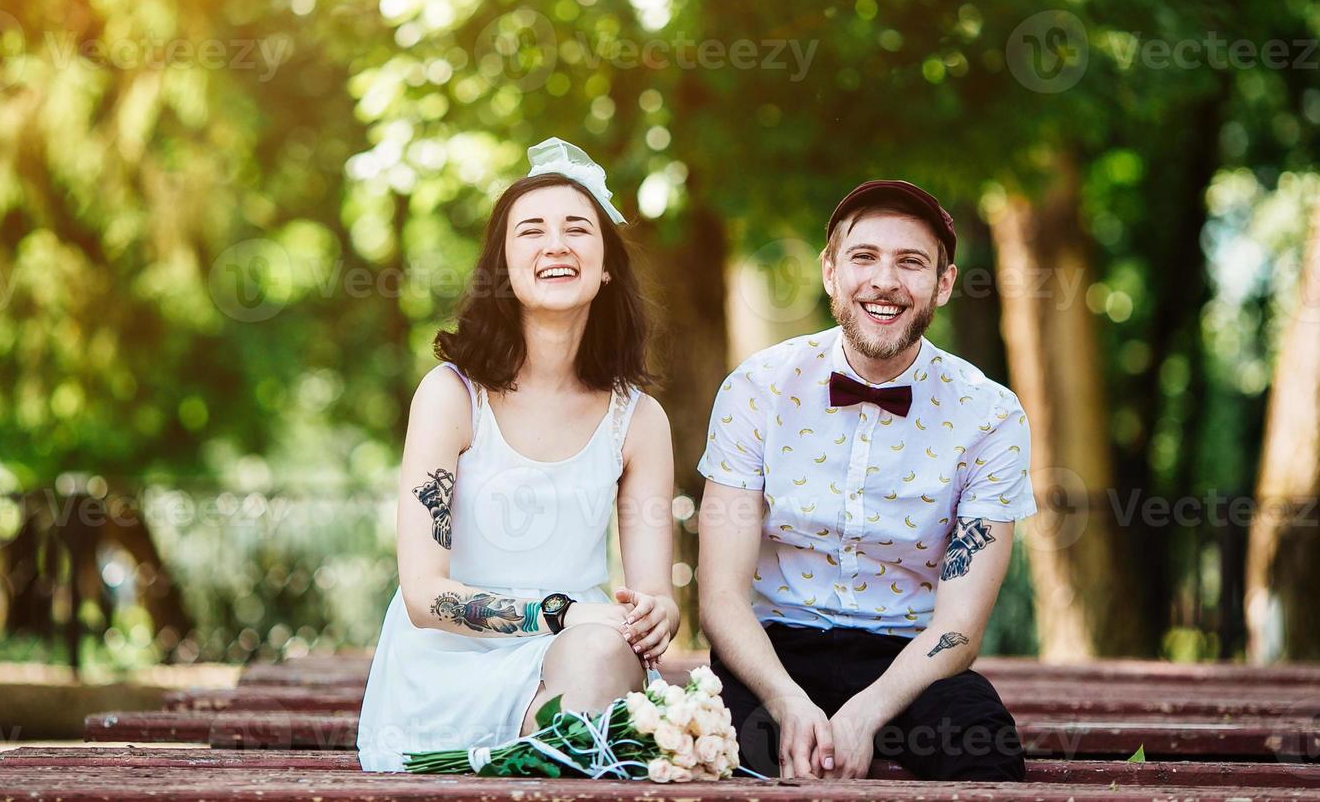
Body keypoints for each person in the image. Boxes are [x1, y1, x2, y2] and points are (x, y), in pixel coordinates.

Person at [696, 179, 1036, 781]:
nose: (885, 281)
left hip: (908, 660)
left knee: (985, 753)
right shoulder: (756, 389)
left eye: (911, 262)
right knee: (714, 759)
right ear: (830, 273)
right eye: (864, 257)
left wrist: (865, 715)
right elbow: (721, 596)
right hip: (772, 651)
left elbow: (959, 628)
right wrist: (786, 700)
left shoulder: (991, 414)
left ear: (945, 284)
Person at [357, 138, 679, 772]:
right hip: (445, 672)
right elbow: (424, 597)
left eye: (577, 229)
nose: (555, 244)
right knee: (594, 651)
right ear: (503, 265)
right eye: (530, 231)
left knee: (603, 655)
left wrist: (655, 617)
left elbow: (654, 597)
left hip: (575, 664)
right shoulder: (452, 397)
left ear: (606, 264)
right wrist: (562, 612)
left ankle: (550, 761)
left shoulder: (639, 420)